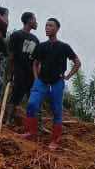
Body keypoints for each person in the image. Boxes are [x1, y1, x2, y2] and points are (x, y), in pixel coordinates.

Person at [24, 17, 81, 150]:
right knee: (32, 104)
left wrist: (67, 76)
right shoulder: (41, 46)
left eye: (50, 26)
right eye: (46, 26)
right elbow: (35, 63)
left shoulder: (64, 47)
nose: (47, 28)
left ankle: (55, 140)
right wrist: (36, 78)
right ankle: (30, 132)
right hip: (42, 81)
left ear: (57, 29)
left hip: (57, 83)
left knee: (57, 111)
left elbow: (77, 63)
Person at [6, 12, 40, 125]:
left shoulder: (35, 39)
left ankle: (34, 124)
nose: (36, 22)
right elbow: (11, 56)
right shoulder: (17, 35)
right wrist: (10, 73)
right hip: (19, 69)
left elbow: (37, 60)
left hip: (31, 73)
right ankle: (8, 119)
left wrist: (37, 76)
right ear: (29, 20)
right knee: (16, 94)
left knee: (33, 97)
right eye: (34, 20)